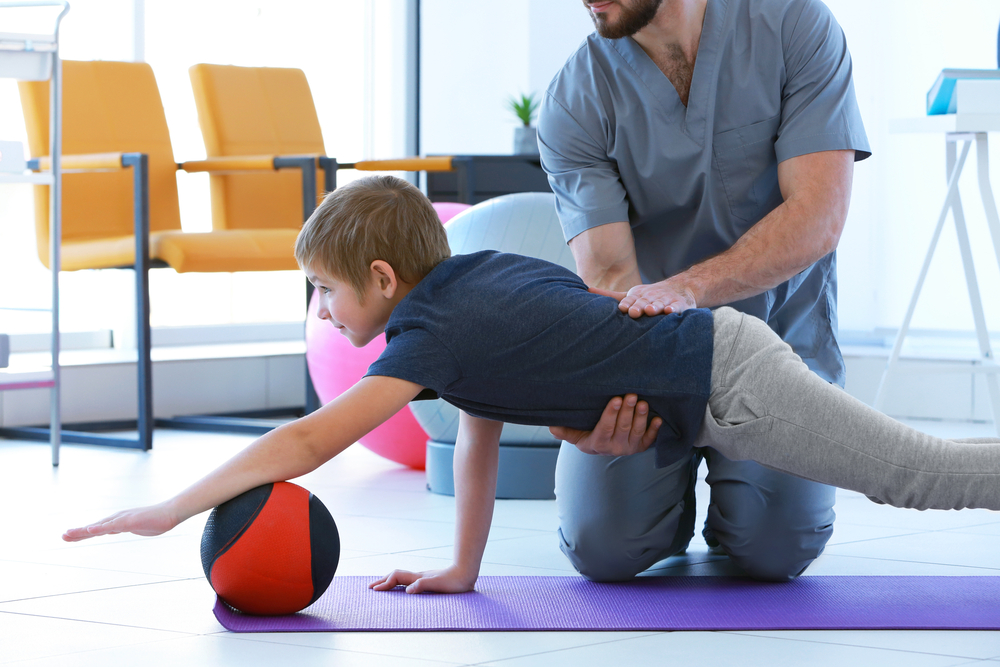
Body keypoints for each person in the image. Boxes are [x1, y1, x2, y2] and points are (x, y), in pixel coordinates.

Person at [64, 176, 1000, 596]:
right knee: (916, 472)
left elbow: (310, 439)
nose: (320, 310)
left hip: (732, 382)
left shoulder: (435, 329)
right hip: (714, 377)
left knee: (917, 475)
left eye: (325, 289)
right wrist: (461, 570)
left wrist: (171, 508)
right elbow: (476, 432)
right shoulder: (467, 288)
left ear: (384, 279)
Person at [538, 0, 872, 582]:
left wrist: (687, 288)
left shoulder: (793, 24)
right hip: (652, 359)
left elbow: (818, 216)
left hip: (778, 351)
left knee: (775, 551)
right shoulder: (576, 97)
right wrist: (590, 390)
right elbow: (609, 274)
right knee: (601, 548)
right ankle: (664, 507)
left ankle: (735, 505)